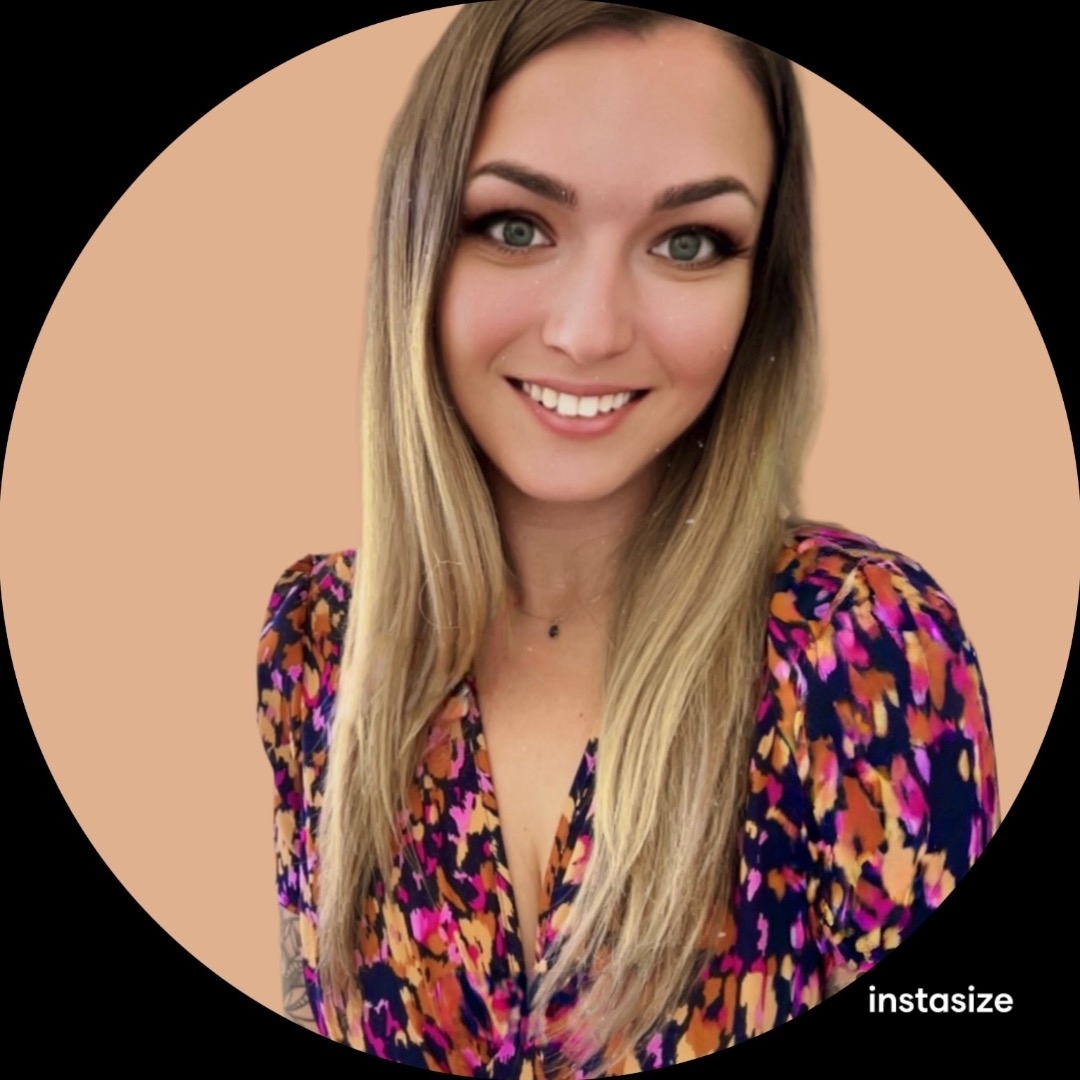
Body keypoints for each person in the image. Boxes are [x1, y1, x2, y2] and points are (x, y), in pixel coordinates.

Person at [256, 2, 998, 1075]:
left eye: (688, 242)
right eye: (516, 226)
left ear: (761, 290)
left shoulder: (865, 644)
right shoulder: (316, 634)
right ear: (416, 243)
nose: (588, 331)